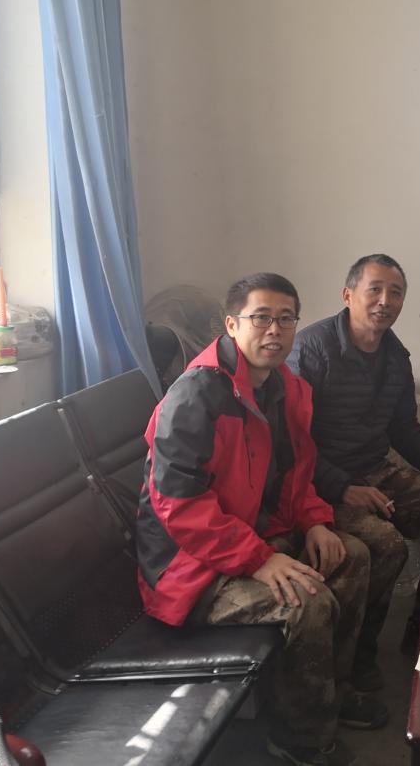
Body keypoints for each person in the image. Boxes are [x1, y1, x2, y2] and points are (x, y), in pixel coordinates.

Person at [136, 273, 383, 766]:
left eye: (286, 319)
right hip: (191, 567)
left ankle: (329, 696)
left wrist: (314, 521)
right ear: (231, 325)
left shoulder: (283, 387)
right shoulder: (197, 395)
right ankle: (300, 740)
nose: (275, 330)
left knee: (350, 556)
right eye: (261, 318)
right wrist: (259, 559)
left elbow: (297, 471)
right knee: (305, 601)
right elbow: (179, 505)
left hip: (251, 538)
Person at [287, 255, 420, 685]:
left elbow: (403, 429)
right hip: (321, 483)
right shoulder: (310, 350)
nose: (385, 301)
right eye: (374, 289)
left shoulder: (396, 355)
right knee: (386, 545)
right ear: (348, 295)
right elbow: (291, 442)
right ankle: (357, 659)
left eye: (395, 293)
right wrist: (342, 487)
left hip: (378, 469)